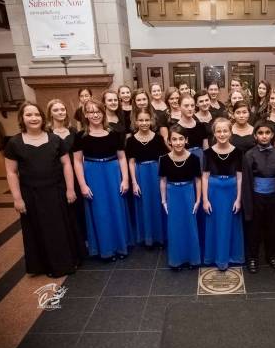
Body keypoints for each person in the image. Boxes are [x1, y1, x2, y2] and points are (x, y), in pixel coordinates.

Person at [5, 102, 85, 277]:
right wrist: (17, 198)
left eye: (37, 115)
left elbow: (66, 165)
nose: (33, 118)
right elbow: (11, 172)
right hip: (31, 194)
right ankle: (45, 265)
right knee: (39, 230)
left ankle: (68, 262)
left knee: (61, 227)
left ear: (42, 118)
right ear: (22, 118)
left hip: (56, 190)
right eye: (29, 115)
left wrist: (70, 189)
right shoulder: (14, 142)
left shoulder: (54, 139)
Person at [73, 99, 133, 260]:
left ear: (103, 112)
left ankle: (120, 246)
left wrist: (125, 179)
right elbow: (77, 161)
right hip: (93, 175)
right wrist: (83, 185)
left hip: (113, 174)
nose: (95, 115)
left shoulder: (114, 134)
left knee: (116, 209)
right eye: (91, 112)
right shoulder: (81, 136)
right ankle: (105, 249)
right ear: (85, 114)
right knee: (100, 212)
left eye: (98, 111)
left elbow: (122, 158)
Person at [242, 119, 275, 273]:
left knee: (273, 228)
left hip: (274, 195)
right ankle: (252, 257)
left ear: (272, 135)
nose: (264, 136)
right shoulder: (249, 155)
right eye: (260, 133)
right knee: (254, 228)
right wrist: (248, 204)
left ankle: (272, 255)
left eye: (267, 133)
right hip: (256, 196)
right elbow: (246, 181)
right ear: (255, 136)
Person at [202, 118, 244, 270]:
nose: (222, 134)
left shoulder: (238, 152)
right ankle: (214, 256)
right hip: (214, 192)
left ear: (230, 132)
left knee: (230, 223)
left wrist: (239, 199)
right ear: (214, 133)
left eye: (225, 130)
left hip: (231, 191)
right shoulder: (207, 153)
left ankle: (232, 256)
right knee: (215, 224)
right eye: (218, 131)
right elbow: (205, 177)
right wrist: (205, 199)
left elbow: (240, 177)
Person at [159, 125, 202, 269]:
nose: (178, 142)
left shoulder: (194, 158)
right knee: (175, 227)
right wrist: (163, 200)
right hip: (173, 193)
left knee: (190, 225)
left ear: (186, 140)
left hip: (188, 192)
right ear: (169, 141)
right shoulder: (164, 159)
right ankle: (176, 260)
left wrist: (198, 199)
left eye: (181, 139)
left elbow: (198, 180)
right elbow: (163, 180)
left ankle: (192, 259)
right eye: (174, 139)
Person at [127, 108, 168, 248]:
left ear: (151, 121)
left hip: (156, 173)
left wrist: (164, 178)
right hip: (140, 174)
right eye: (141, 120)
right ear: (136, 122)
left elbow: (163, 158)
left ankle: (161, 237)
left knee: (158, 203)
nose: (144, 123)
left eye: (146, 120)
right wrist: (134, 182)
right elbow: (131, 162)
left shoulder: (158, 138)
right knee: (144, 205)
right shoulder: (131, 140)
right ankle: (148, 238)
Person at [47, 98, 86, 241]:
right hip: (57, 175)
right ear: (50, 113)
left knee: (78, 206)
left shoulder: (73, 131)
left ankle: (81, 238)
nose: (60, 112)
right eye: (56, 110)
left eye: (62, 109)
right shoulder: (47, 133)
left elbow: (79, 154)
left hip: (74, 173)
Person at [178, 94, 209, 166]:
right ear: (179, 107)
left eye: (192, 105)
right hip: (183, 162)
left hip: (200, 160)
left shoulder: (201, 126)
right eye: (186, 106)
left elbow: (206, 148)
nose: (190, 108)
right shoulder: (176, 128)